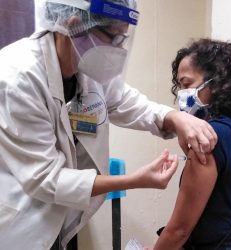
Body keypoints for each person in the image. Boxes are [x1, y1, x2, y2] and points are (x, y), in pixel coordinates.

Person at [0, 1, 218, 249]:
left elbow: (127, 102)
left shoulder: (86, 67)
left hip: (63, 217)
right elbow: (47, 179)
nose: (119, 49)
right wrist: (133, 180)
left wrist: (175, 117)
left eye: (123, 38)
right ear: (75, 25)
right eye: (114, 37)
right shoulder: (17, 78)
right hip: (22, 225)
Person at [147, 38, 231, 250]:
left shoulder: (206, 137)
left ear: (216, 83)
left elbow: (179, 230)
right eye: (179, 87)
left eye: (187, 84)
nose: (181, 95)